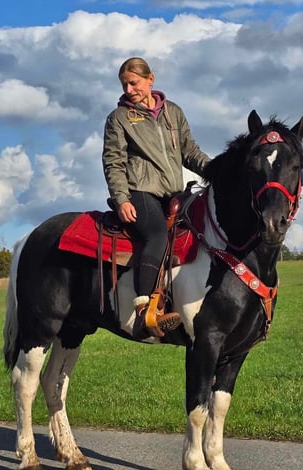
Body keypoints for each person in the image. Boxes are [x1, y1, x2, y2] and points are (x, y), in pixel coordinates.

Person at [102, 57, 211, 339]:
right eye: (124, 84)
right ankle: (144, 313)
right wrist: (122, 198)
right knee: (157, 235)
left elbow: (190, 152)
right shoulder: (119, 118)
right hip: (139, 191)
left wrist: (219, 170)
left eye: (134, 82)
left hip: (174, 192)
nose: (129, 89)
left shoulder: (173, 112)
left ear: (151, 79)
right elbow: (113, 162)